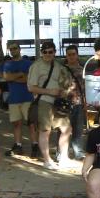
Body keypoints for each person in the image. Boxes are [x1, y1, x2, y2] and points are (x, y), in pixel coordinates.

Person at [27, 41, 73, 169]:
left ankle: (63, 158)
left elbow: (63, 82)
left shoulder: (58, 65)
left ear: (54, 52)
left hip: (57, 102)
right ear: (41, 52)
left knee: (67, 129)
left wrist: (64, 91)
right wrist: (49, 91)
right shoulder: (36, 66)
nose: (47, 54)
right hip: (44, 101)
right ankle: (47, 160)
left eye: (50, 52)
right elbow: (31, 88)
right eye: (45, 52)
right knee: (45, 131)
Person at [1, 42, 38, 158]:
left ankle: (35, 145)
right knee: (16, 124)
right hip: (14, 98)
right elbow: (6, 77)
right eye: (11, 49)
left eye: (15, 48)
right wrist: (20, 74)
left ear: (19, 49)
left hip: (27, 97)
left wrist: (13, 77)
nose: (13, 50)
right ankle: (18, 145)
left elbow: (28, 80)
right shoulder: (8, 64)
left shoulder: (28, 63)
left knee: (31, 123)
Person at [64, 45, 86, 160]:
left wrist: (86, 103)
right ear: (66, 56)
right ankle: (61, 151)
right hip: (65, 104)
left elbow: (85, 87)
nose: (71, 56)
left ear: (77, 55)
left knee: (78, 129)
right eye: (69, 54)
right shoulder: (62, 70)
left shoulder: (83, 70)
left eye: (73, 54)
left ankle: (78, 151)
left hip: (79, 103)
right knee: (63, 129)